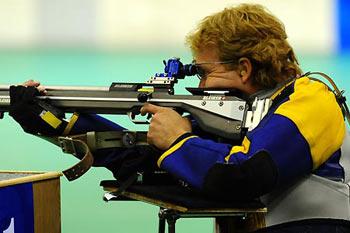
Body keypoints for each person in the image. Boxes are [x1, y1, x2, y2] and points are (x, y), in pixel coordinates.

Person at [9, 3, 350, 232]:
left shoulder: (312, 100)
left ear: (244, 69)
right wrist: (50, 120)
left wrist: (179, 140)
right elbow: (140, 162)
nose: (199, 86)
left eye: (203, 73)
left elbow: (242, 176)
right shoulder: (242, 118)